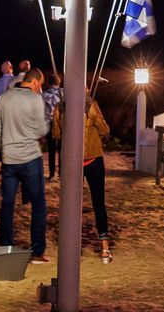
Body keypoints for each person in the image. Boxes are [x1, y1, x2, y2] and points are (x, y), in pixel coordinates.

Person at [0, 68, 50, 263]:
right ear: (34, 82)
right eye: (40, 84)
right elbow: (42, 129)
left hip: (9, 158)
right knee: (38, 205)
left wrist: (5, 146)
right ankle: (36, 251)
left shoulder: (4, 98)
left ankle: (6, 246)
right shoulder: (35, 99)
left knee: (7, 204)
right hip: (30, 157)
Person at [53, 91, 114, 263]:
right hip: (92, 159)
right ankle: (104, 249)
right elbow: (105, 129)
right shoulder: (90, 105)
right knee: (98, 203)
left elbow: (56, 134)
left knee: (71, 204)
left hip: (73, 159)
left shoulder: (60, 107)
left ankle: (72, 248)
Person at [41, 73, 63, 177]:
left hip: (49, 123)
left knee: (51, 149)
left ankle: (51, 172)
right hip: (62, 123)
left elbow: (42, 112)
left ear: (49, 82)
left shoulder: (44, 94)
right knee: (62, 149)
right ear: (59, 82)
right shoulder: (64, 93)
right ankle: (61, 171)